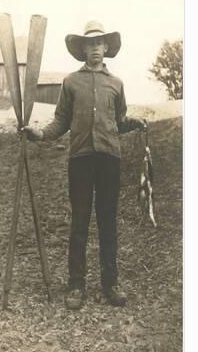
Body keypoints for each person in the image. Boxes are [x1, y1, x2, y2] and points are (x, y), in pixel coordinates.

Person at [22, 20, 146, 310]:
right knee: (79, 222)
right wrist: (39, 134)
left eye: (99, 44)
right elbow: (60, 122)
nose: (95, 49)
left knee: (107, 222)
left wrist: (134, 123)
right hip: (80, 160)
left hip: (109, 160)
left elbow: (118, 121)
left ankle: (110, 284)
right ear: (83, 49)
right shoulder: (70, 82)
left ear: (106, 48)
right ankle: (76, 285)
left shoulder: (116, 84)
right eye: (89, 44)